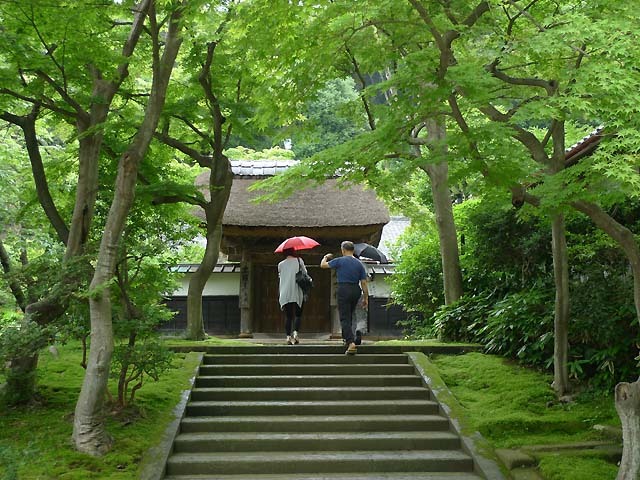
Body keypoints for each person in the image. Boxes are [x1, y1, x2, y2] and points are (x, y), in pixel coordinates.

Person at [321, 241, 369, 354]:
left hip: (343, 289)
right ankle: (347, 340)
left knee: (344, 317)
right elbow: (364, 283)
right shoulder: (359, 264)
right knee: (350, 315)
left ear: (343, 250)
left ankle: (351, 343)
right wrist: (366, 298)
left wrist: (325, 257)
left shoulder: (340, 260)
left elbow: (323, 265)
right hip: (355, 290)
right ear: (353, 250)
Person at [278, 248, 306, 345]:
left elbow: (280, 276)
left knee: (288, 316)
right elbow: (305, 273)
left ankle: (288, 337)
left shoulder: (280, 264)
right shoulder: (299, 260)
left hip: (285, 292)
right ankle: (295, 333)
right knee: (298, 315)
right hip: (297, 291)